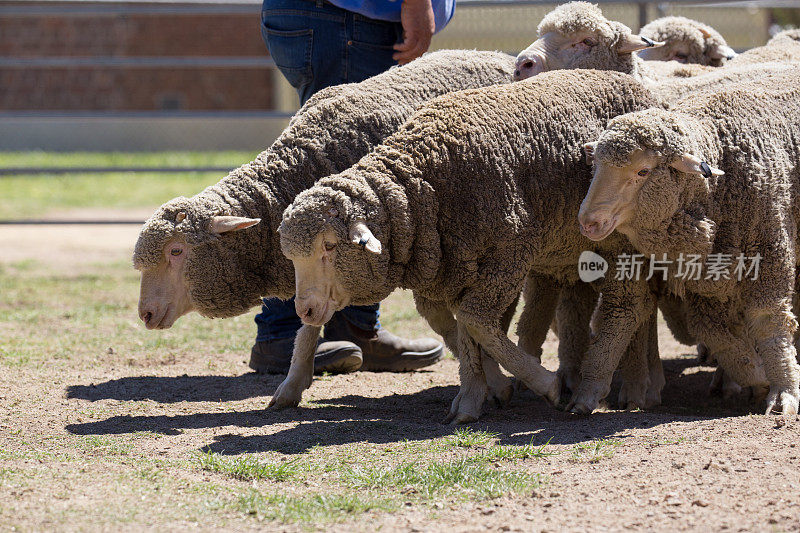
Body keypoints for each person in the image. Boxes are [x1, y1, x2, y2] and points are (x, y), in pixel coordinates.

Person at [251, 0, 456, 375]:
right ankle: (281, 334)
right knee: (336, 178)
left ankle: (351, 326)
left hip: (334, 18)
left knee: (337, 177)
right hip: (347, 20)